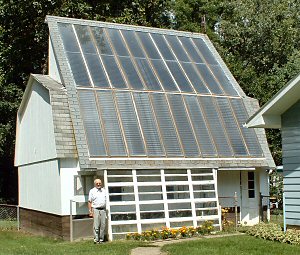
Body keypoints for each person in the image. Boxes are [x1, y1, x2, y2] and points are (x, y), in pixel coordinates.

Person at [88, 178, 107, 244]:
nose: (98, 184)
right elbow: (89, 201)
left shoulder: (104, 190)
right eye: (97, 183)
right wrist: (90, 211)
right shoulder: (92, 191)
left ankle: (101, 240)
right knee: (96, 225)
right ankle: (96, 239)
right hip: (95, 209)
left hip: (103, 209)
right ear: (95, 184)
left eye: (99, 183)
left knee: (103, 225)